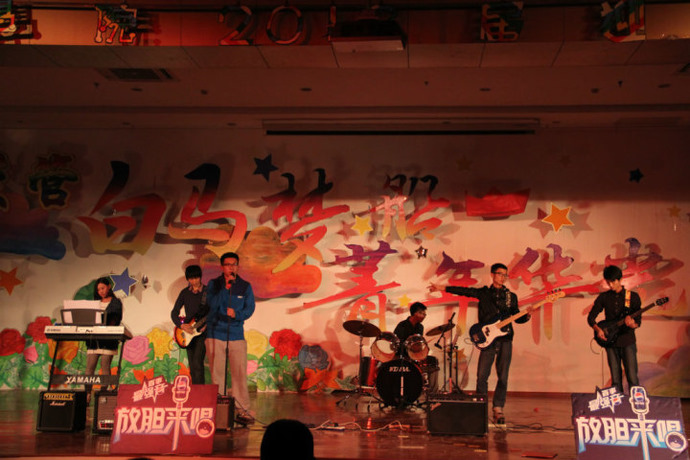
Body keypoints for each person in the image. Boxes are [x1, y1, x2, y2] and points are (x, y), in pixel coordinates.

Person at [428, 263, 530, 425]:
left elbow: (517, 317)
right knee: (482, 375)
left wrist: (526, 316)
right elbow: (464, 291)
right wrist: (441, 287)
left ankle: (498, 407)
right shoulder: (484, 293)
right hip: (487, 340)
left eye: (505, 275)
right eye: (500, 274)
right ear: (493, 275)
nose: (503, 277)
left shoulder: (511, 297)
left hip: (505, 339)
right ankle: (481, 406)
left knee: (503, 376)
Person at [206, 252, 255, 424]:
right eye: (228, 264)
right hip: (215, 334)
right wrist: (225, 289)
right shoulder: (214, 284)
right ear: (222, 267)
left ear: (237, 266)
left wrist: (237, 314)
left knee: (239, 374)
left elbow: (249, 309)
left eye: (234, 264)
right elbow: (211, 306)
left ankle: (243, 410)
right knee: (217, 375)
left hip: (236, 335)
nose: (231, 267)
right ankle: (218, 410)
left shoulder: (245, 286)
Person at [587, 265, 641, 394]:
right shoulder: (604, 297)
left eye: (613, 281)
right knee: (615, 380)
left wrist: (632, 323)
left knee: (632, 377)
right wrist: (598, 330)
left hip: (627, 341)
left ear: (620, 280)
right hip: (610, 342)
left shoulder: (632, 297)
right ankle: (618, 404)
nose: (611, 285)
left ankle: (635, 404)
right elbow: (591, 318)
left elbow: (638, 322)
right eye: (608, 282)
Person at [85, 277, 123, 402]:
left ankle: (102, 394)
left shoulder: (116, 302)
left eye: (102, 288)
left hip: (108, 340)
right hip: (94, 340)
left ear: (109, 287)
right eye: (98, 289)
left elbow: (115, 319)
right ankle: (87, 394)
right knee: (90, 367)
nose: (101, 291)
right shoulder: (94, 303)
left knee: (105, 365)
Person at [171, 264, 209, 385]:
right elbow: (174, 312)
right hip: (188, 333)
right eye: (191, 278)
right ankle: (195, 391)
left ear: (200, 277)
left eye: (196, 278)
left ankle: (200, 392)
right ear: (188, 279)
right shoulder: (184, 293)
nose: (194, 281)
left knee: (197, 363)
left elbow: (213, 312)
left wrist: (206, 326)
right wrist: (182, 325)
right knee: (192, 366)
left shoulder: (208, 292)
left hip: (202, 333)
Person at [393, 302, 438, 392]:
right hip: (402, 356)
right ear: (415, 313)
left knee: (432, 361)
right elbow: (396, 343)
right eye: (422, 314)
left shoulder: (420, 327)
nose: (424, 316)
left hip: (414, 356)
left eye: (425, 314)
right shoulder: (402, 325)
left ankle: (429, 391)